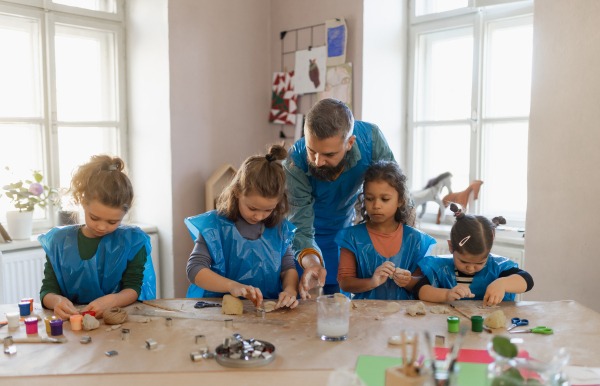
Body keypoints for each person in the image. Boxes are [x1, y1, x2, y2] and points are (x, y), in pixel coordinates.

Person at [284, 98, 396, 298]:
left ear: (350, 143)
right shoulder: (294, 163)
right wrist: (313, 264)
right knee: (306, 308)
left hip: (344, 234)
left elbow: (396, 192)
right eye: (312, 151)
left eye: (328, 154)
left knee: (339, 304)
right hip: (304, 242)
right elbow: (300, 229)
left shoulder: (371, 140)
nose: (318, 161)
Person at [39, 155, 156, 319]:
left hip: (116, 319)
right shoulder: (58, 241)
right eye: (94, 218)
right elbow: (48, 289)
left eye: (113, 221)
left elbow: (134, 287)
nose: (101, 227)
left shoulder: (133, 242)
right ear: (82, 201)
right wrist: (56, 301)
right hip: (72, 324)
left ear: (125, 213)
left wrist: (114, 300)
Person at [185, 145, 299, 310]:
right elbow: (194, 269)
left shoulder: (279, 229)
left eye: (268, 210)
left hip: (265, 312)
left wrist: (289, 289)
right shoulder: (215, 226)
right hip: (218, 311)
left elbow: (288, 268)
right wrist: (232, 286)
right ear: (237, 192)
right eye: (252, 208)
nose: (259, 217)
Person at [335, 161, 436, 299]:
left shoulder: (416, 239)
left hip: (404, 316)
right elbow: (345, 283)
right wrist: (371, 282)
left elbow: (423, 284)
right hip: (365, 315)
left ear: (400, 200)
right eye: (370, 198)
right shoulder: (351, 237)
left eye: (385, 199)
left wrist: (408, 281)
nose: (376, 205)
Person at [413, 204, 534, 307]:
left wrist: (502, 284)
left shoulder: (496, 267)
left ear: (488, 251)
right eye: (464, 262)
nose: (470, 268)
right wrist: (446, 294)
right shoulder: (440, 267)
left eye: (480, 263)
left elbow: (527, 280)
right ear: (451, 247)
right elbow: (420, 290)